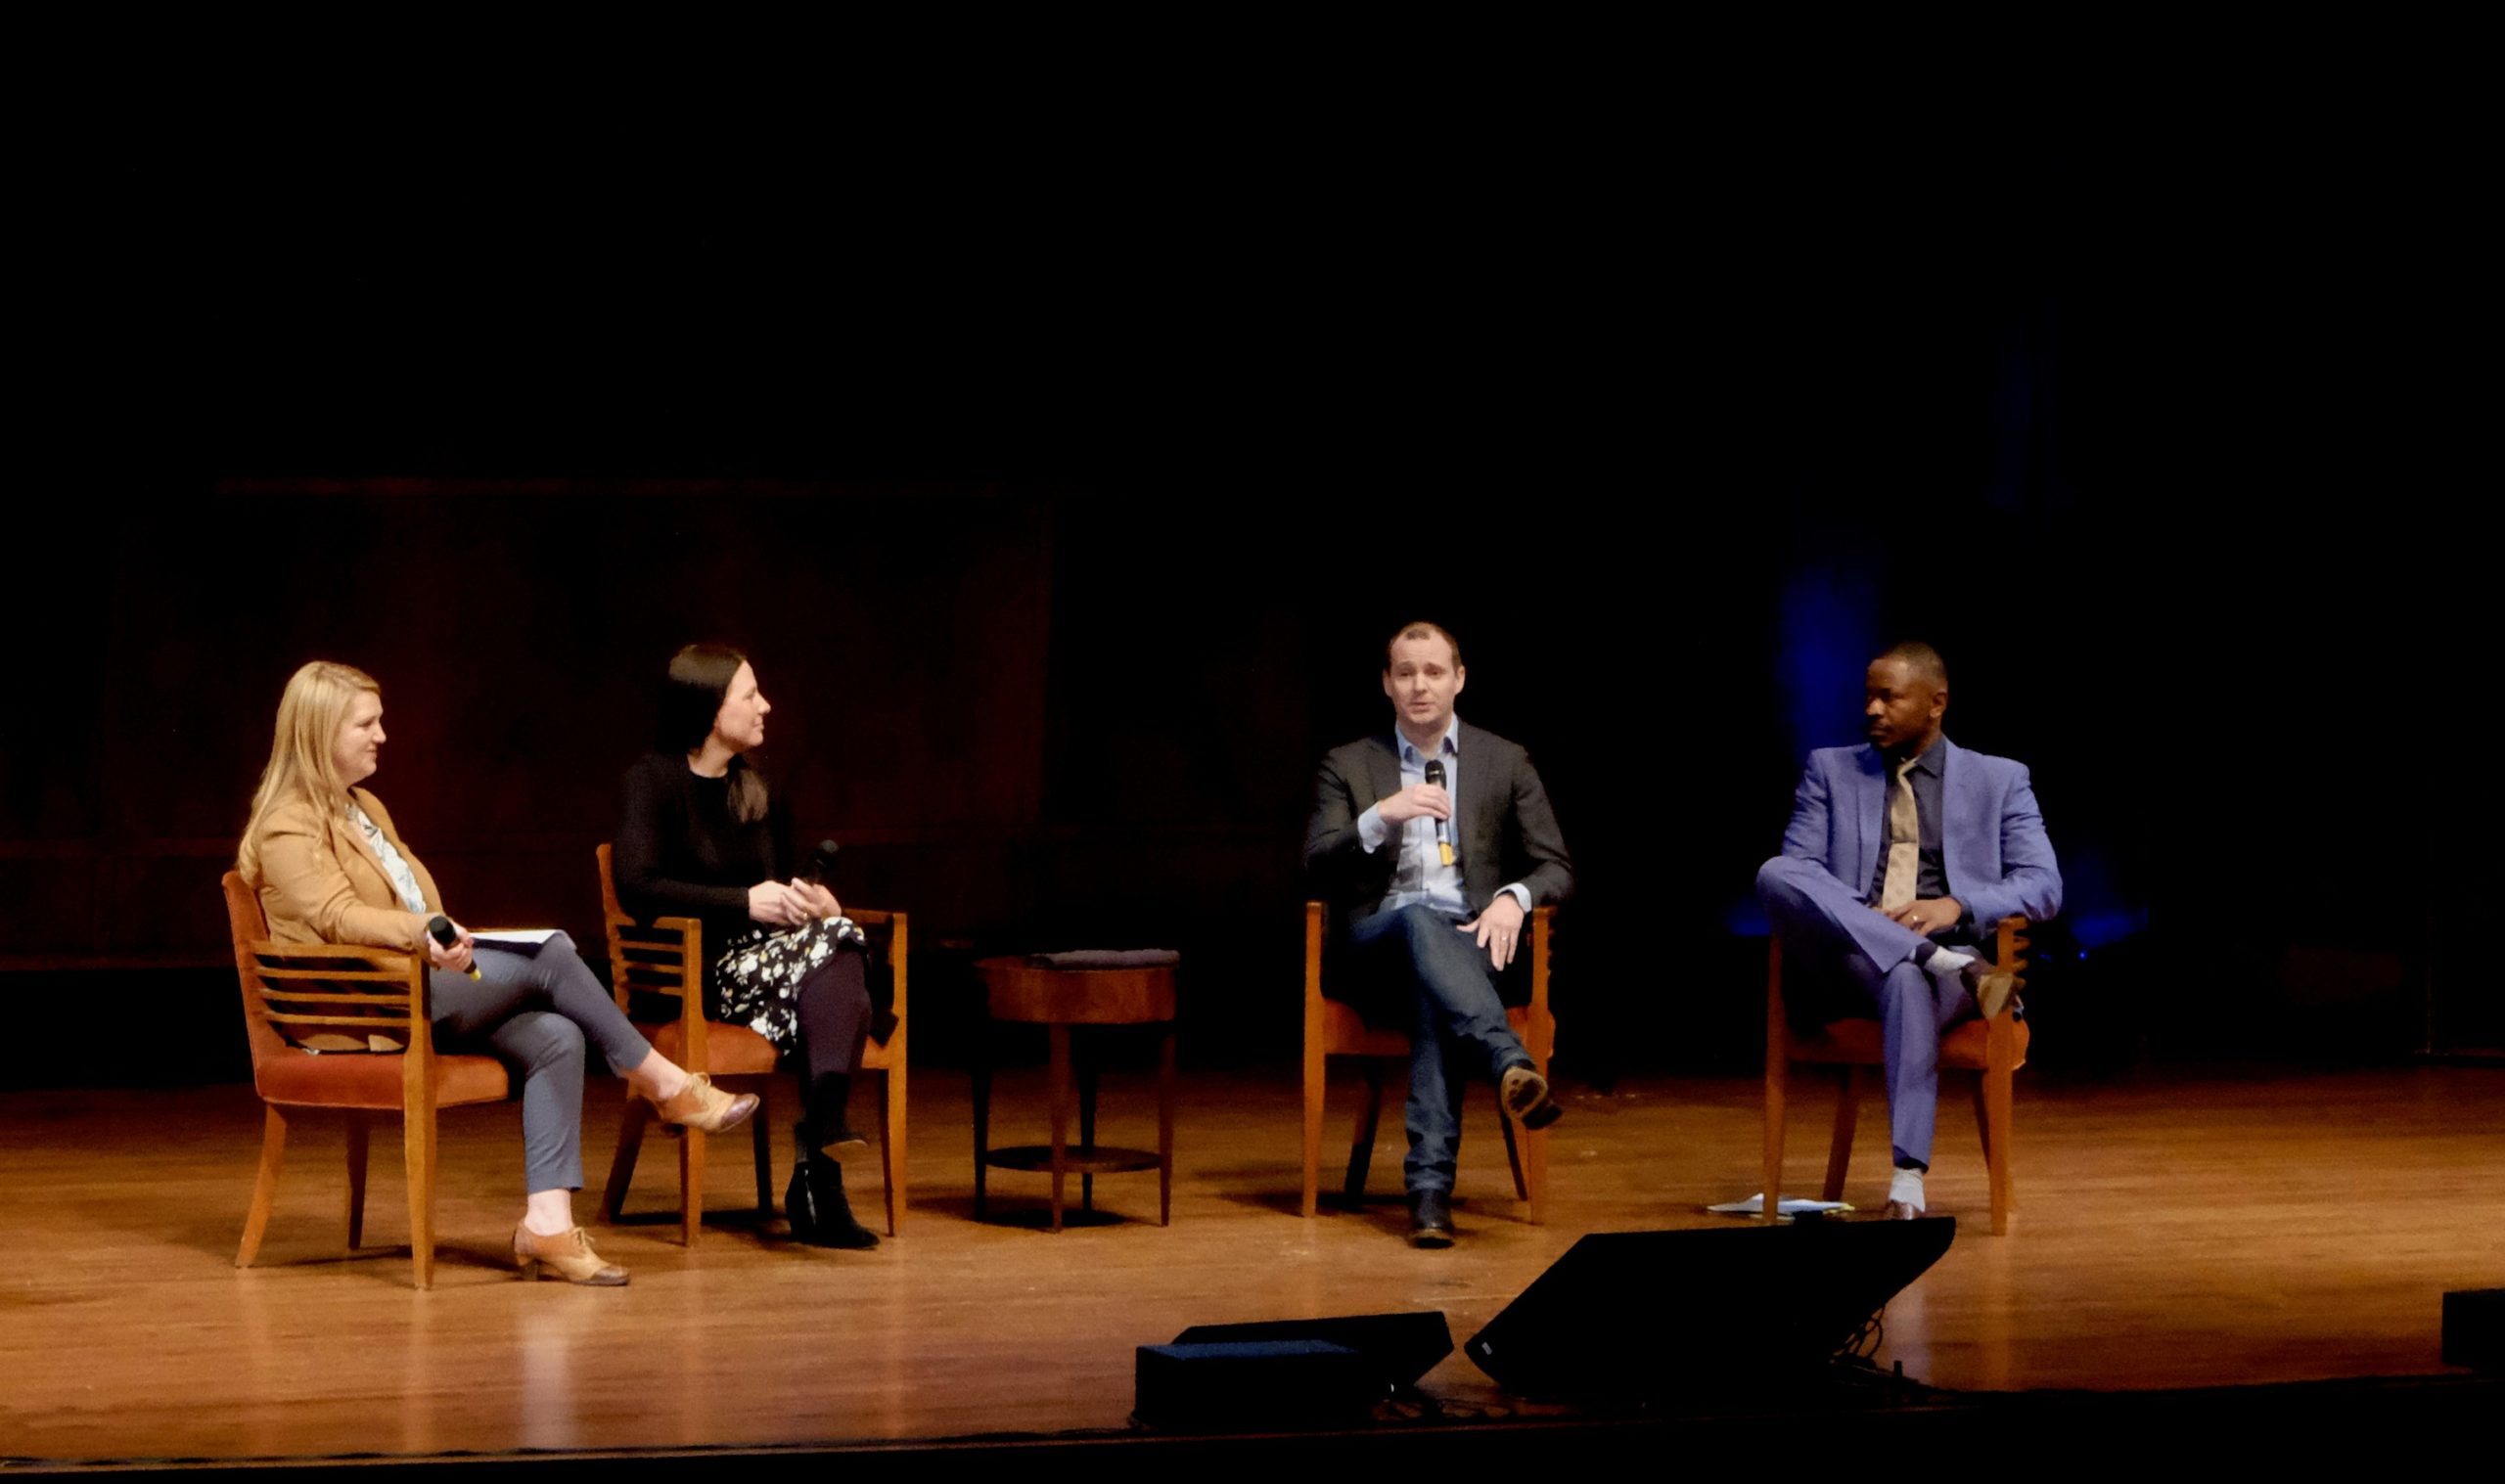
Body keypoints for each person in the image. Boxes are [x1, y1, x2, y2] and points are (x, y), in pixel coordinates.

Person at [237, 660, 759, 1286]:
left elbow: (406, 902)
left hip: (411, 981)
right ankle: (665, 1083)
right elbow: (336, 914)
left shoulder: (363, 805)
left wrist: (440, 936)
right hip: (363, 1003)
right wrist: (426, 936)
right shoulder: (288, 821)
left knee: (557, 1037)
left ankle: (548, 1225)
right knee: (554, 953)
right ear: (321, 733)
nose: (381, 735)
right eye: (366, 724)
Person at [1754, 641, 2062, 1220]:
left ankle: (1907, 1181)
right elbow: (1800, 873)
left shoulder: (2000, 780)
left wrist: (1957, 905)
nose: (1872, 709)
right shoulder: (1830, 770)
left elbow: (2044, 885)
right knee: (1776, 872)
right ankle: (1934, 958)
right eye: (1868, 696)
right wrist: (1892, 933)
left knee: (1905, 979)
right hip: (1848, 962)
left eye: (1888, 697)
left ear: (1936, 702)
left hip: (1946, 965)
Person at [1302, 621, 1574, 1248]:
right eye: (1405, 673)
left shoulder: (1504, 759)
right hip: (1374, 953)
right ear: (1387, 685)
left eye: (1432, 672)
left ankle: (1428, 1198)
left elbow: (1556, 865)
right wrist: (1379, 815)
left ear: (1459, 679)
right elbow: (1315, 861)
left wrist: (1514, 897)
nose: (1419, 685)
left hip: (1471, 949)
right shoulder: (1348, 763)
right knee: (1422, 922)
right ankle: (1508, 1059)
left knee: (1436, 984)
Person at [613, 644, 885, 1250]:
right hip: (698, 972)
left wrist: (816, 904)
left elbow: (786, 878)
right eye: (749, 695)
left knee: (837, 937)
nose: (766, 706)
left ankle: (819, 1159)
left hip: (775, 966)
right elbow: (636, 886)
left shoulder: (758, 786)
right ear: (710, 709)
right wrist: (743, 902)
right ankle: (821, 1160)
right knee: (845, 960)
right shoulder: (651, 782)